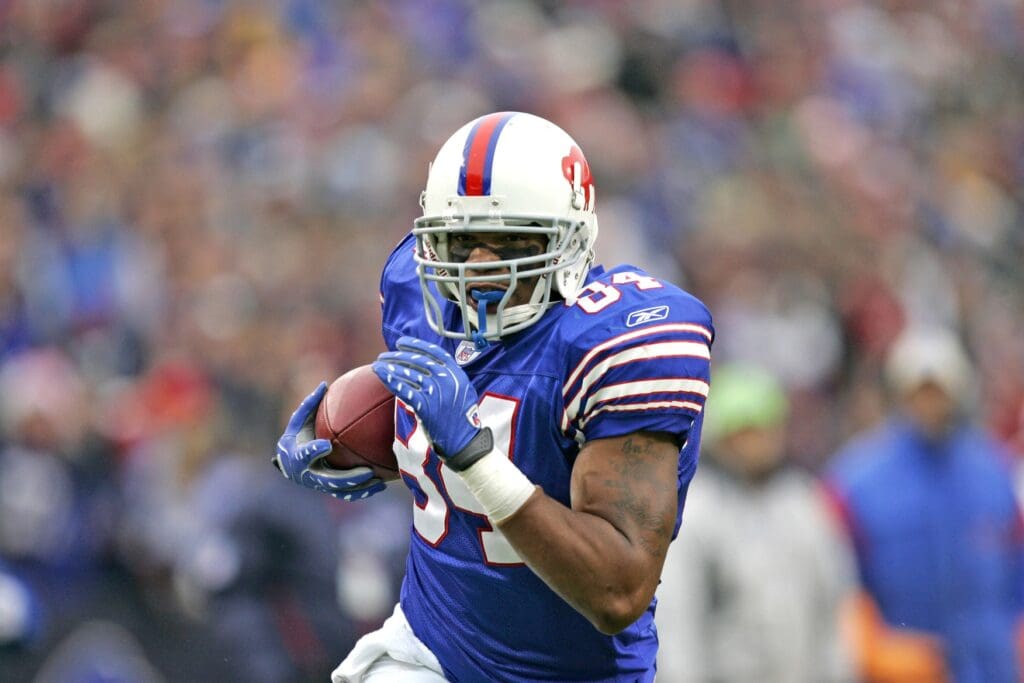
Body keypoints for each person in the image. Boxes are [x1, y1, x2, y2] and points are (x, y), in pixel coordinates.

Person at [272, 112, 714, 682]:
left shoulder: (620, 341)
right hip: (429, 653)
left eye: (508, 241)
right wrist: (334, 438)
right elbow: (441, 398)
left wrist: (474, 456)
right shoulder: (417, 291)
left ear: (571, 240)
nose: (481, 264)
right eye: (460, 241)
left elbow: (617, 590)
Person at [827, 327, 1024, 683]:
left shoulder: (994, 471)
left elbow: (1016, 567)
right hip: (903, 669)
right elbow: (837, 584)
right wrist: (871, 648)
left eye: (939, 391)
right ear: (900, 394)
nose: (930, 404)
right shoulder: (857, 480)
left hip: (990, 668)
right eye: (920, 392)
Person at [656, 364, 856, 683]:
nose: (756, 442)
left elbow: (834, 603)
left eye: (764, 428)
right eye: (744, 431)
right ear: (721, 436)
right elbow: (679, 620)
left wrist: (841, 672)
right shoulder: (696, 513)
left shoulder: (805, 504)